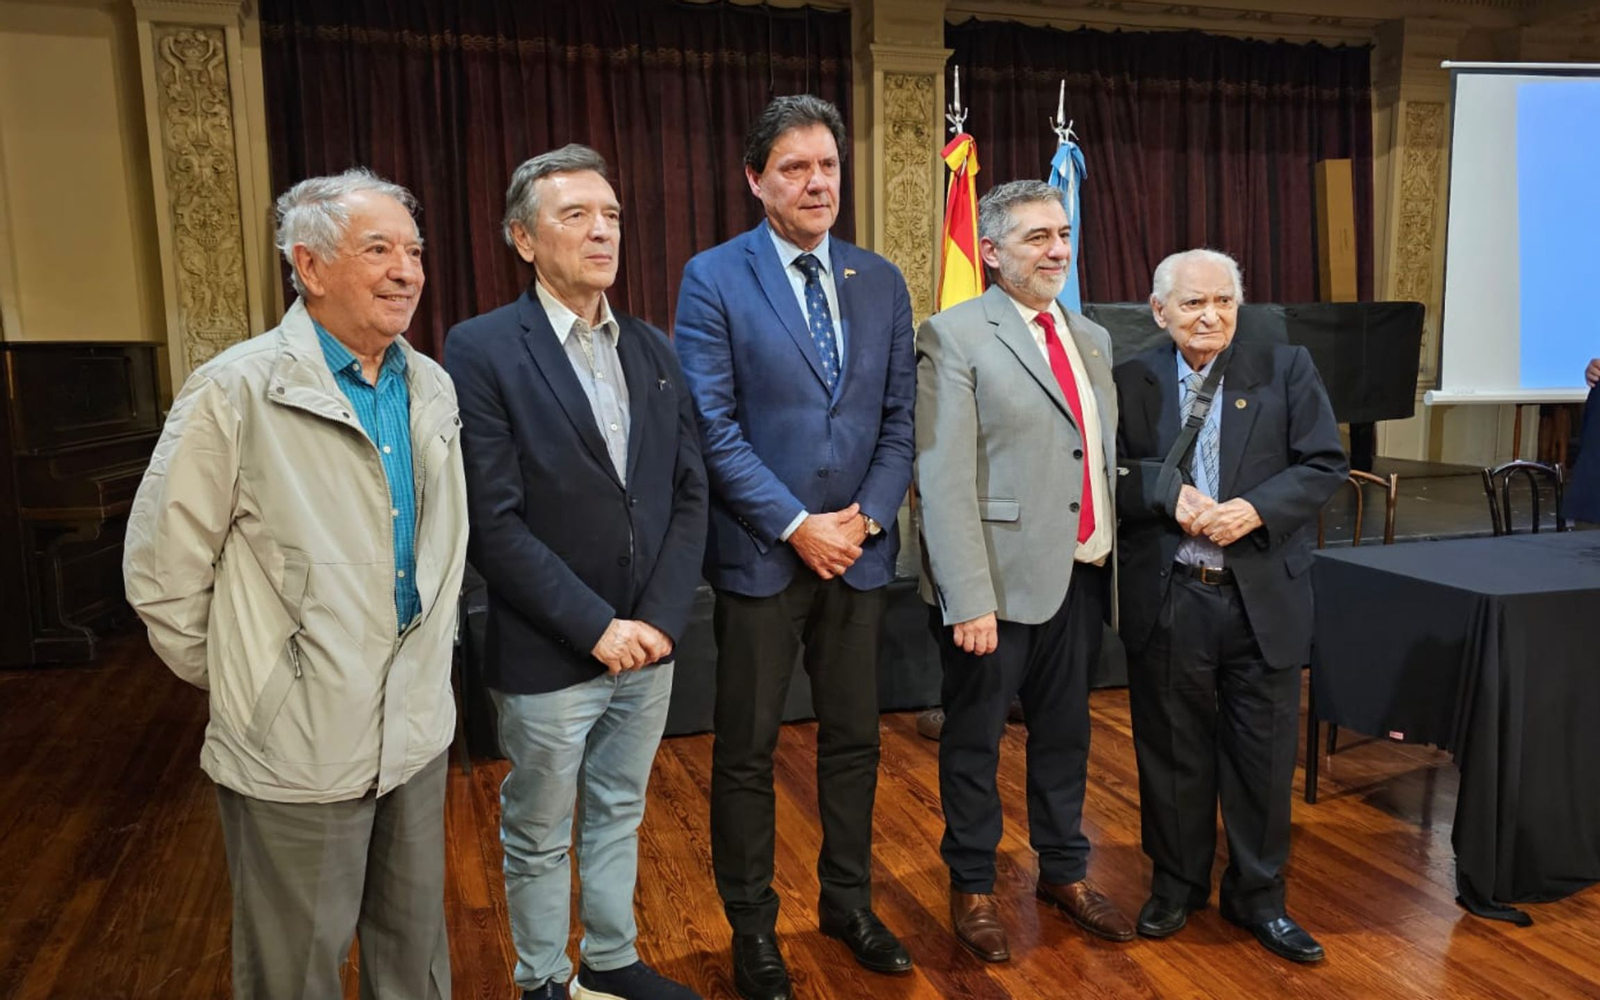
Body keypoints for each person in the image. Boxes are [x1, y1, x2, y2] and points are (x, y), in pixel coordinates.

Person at [123, 168, 466, 1000]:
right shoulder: (234, 389)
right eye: (378, 250)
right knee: (295, 975)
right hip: (296, 748)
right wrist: (266, 685)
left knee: (415, 965)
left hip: (416, 735)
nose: (406, 271)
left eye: (414, 251)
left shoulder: (431, 384)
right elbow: (161, 577)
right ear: (308, 266)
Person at [444, 145, 707, 1000]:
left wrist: (659, 620)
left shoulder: (655, 349)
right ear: (524, 239)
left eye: (613, 216)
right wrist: (597, 626)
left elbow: (688, 494)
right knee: (538, 830)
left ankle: (610, 960)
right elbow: (493, 522)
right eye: (577, 215)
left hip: (648, 647)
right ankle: (542, 981)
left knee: (620, 811)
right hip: (551, 646)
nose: (603, 232)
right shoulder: (482, 348)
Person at [673, 94, 916, 1000]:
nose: (818, 183)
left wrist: (866, 517)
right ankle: (752, 929)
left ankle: (848, 906)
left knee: (855, 743)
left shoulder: (880, 280)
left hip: (860, 553)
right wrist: (796, 525)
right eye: (795, 168)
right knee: (746, 751)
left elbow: (900, 419)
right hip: (761, 557)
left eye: (828, 166)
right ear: (755, 179)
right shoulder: (713, 277)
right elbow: (711, 424)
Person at [914, 180, 1131, 962]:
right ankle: (972, 886)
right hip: (995, 590)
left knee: (1067, 736)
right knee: (974, 743)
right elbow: (941, 477)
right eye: (1038, 237)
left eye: (1063, 234)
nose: (1058, 250)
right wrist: (967, 596)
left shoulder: (1092, 337)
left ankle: (1064, 872)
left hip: (1082, 575)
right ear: (992, 252)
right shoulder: (953, 335)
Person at [1114, 248, 1347, 963]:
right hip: (1173, 595)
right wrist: (1164, 492)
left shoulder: (1286, 368)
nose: (1210, 316)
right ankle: (1177, 884)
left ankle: (1259, 896)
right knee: (1172, 753)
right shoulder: (1130, 378)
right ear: (1160, 312)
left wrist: (1256, 508)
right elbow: (1104, 473)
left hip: (1260, 598)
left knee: (1263, 757)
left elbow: (1324, 463)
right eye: (1193, 303)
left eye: (1224, 301)